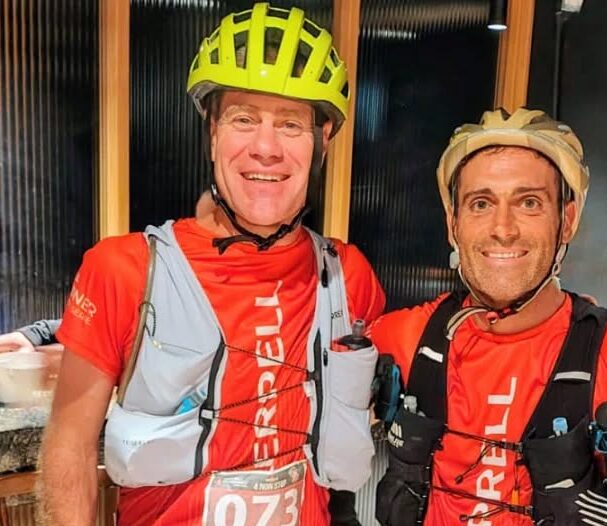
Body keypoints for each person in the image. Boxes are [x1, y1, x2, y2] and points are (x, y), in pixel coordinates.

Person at [37, 4, 385, 526]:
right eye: (244, 119)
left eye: (290, 124)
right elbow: (69, 446)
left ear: (323, 141)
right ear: (213, 131)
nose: (265, 148)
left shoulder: (347, 275)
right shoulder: (126, 270)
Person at [371, 108, 607, 525]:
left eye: (529, 203)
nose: (503, 229)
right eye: (481, 203)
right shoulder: (400, 339)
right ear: (453, 224)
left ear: (566, 221)